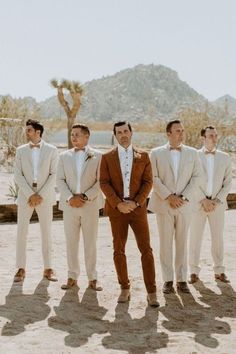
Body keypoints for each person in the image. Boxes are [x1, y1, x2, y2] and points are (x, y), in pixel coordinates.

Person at [100, 121, 159, 307]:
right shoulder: (107, 157)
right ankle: (124, 288)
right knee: (118, 249)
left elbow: (148, 182)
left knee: (146, 250)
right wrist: (118, 203)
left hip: (137, 209)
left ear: (131, 132)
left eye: (126, 131)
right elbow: (104, 182)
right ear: (115, 135)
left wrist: (136, 202)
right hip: (117, 210)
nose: (123, 134)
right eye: (119, 132)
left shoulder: (144, 156)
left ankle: (152, 292)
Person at [148, 119, 202, 294]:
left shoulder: (193, 153)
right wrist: (169, 196)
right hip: (164, 204)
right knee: (165, 243)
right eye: (177, 131)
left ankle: (182, 279)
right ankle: (168, 280)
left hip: (185, 205)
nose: (181, 134)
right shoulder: (155, 153)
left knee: (182, 242)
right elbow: (153, 178)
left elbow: (197, 177)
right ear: (168, 133)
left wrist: (183, 197)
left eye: (182, 130)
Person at [57, 123, 103, 291]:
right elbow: (59, 180)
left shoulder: (98, 156)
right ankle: (72, 276)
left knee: (90, 242)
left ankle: (92, 278)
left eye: (77, 134)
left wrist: (84, 196)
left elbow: (100, 182)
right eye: (72, 134)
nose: (74, 137)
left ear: (87, 137)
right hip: (69, 206)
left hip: (90, 205)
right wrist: (70, 197)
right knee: (71, 242)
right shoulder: (63, 156)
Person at [14, 119, 58, 282]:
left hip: (44, 197)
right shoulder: (20, 150)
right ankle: (20, 268)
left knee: (46, 232)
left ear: (38, 132)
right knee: (21, 232)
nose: (27, 132)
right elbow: (17, 175)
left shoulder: (52, 150)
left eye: (29, 130)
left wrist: (40, 195)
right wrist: (30, 194)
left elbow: (54, 174)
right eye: (27, 130)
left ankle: (48, 268)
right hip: (25, 196)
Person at [189, 126, 232, 284]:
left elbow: (227, 183)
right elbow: (191, 180)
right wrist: (203, 199)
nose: (214, 138)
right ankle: (193, 271)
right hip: (197, 204)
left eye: (215, 135)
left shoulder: (225, 157)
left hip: (218, 205)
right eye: (210, 135)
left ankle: (219, 271)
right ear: (203, 138)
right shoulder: (193, 156)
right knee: (195, 238)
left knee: (218, 238)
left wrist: (216, 201)